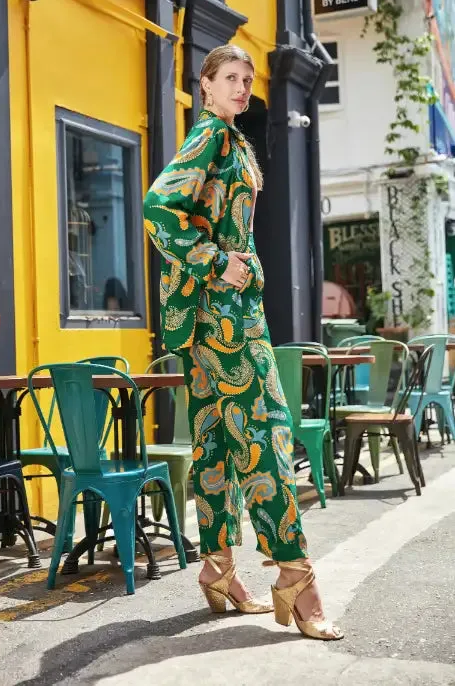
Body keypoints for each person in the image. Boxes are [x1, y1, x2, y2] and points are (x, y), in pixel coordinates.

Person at [143, 44, 342, 640]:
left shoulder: (231, 140)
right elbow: (158, 206)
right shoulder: (209, 138)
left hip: (210, 319)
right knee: (267, 432)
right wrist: (214, 261)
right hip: (224, 316)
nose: (242, 85)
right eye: (229, 77)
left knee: (215, 442)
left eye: (248, 78)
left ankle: (219, 567)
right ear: (204, 86)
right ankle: (296, 578)